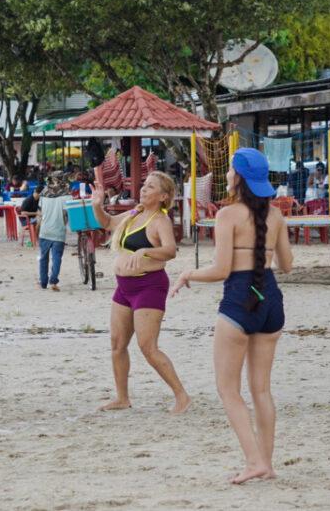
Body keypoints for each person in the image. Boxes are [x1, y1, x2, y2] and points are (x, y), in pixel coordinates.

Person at [170, 148, 293, 484]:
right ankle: (266, 463)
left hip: (240, 299)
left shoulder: (228, 216)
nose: (224, 176)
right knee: (262, 390)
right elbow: (286, 265)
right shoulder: (277, 215)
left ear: (238, 176)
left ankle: (254, 461)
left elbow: (221, 269)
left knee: (228, 389)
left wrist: (186, 275)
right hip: (270, 299)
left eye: (229, 171)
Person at [90, 170, 190, 414]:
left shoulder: (159, 220)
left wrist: (143, 251)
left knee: (148, 346)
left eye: (150, 187)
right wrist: (97, 205)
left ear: (163, 196)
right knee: (117, 344)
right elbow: (106, 223)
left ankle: (182, 396)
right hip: (125, 287)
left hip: (149, 285)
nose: (143, 189)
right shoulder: (134, 214)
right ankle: (122, 398)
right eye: (144, 184)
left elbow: (170, 250)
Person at [37, 172, 70, 291]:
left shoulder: (43, 194)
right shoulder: (67, 196)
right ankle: (53, 280)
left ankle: (43, 282)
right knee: (57, 258)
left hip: (44, 231)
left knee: (43, 258)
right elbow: (67, 215)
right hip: (59, 232)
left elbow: (40, 212)